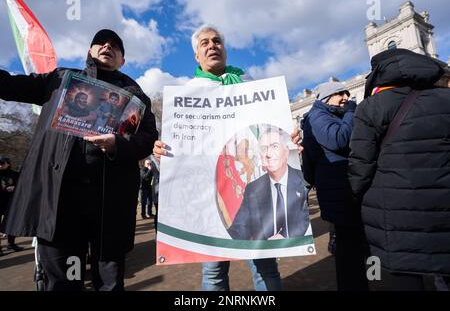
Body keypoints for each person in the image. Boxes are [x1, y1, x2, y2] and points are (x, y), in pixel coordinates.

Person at [0, 29, 158, 291]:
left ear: (122, 60)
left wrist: (117, 144)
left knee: (109, 282)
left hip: (110, 205)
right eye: (100, 42)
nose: (107, 45)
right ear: (90, 51)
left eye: (115, 46)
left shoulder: (137, 97)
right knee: (61, 281)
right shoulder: (61, 79)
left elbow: (148, 139)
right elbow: (9, 85)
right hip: (59, 201)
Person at [153, 24, 302, 291]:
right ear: (197, 56)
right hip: (210, 199)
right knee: (213, 274)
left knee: (266, 269)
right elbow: (181, 151)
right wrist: (162, 152)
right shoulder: (188, 93)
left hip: (257, 192)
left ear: (225, 49)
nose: (212, 46)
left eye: (217, 41)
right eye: (205, 43)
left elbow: (270, 132)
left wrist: (289, 139)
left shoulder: (248, 86)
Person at [348, 48, 450, 290]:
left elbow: (360, 164)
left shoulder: (371, 106)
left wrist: (356, 196)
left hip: (394, 211)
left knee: (405, 273)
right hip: (444, 205)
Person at [301, 81, 369, 291]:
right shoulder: (317, 116)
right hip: (340, 194)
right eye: (340, 93)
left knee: (361, 249)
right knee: (349, 252)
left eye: (347, 93)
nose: (346, 98)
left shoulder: (332, 115)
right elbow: (337, 139)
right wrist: (350, 114)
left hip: (347, 190)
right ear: (326, 98)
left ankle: (366, 282)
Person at [228, 127, 309, 240]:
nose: (268, 154)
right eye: (263, 149)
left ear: (286, 151)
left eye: (274, 146)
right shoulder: (253, 189)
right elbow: (240, 226)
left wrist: (285, 235)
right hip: (264, 251)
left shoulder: (300, 182)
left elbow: (302, 218)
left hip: (298, 249)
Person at [0, 156, 24, 255]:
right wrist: (5, 189)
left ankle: (11, 243)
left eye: (2, 163)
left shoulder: (15, 174)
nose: (0, 165)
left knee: (12, 223)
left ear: (8, 163)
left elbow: (23, 185)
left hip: (11, 202)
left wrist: (16, 187)